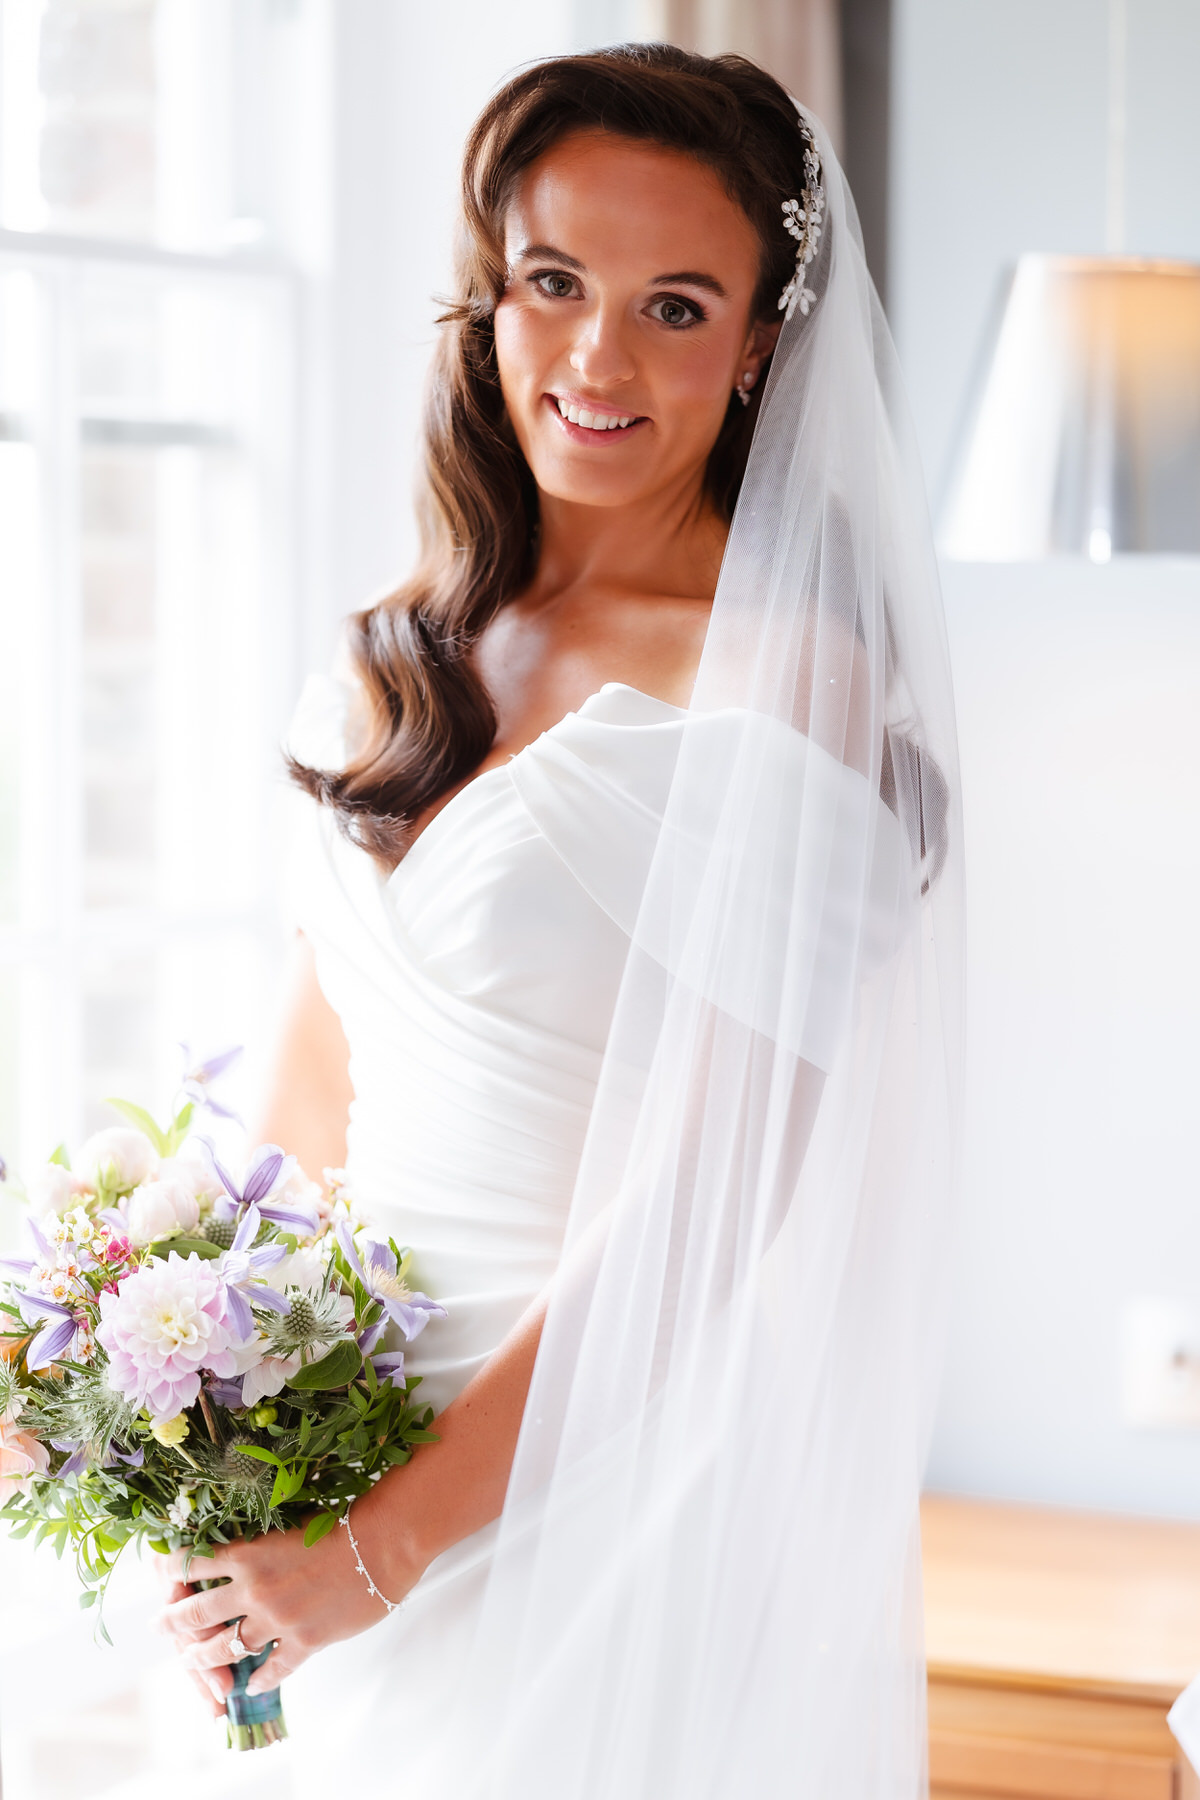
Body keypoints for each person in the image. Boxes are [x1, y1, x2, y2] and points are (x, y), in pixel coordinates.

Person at [158, 43, 960, 1798]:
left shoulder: (782, 681)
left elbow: (703, 1215)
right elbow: (296, 1127)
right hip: (332, 1490)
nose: (599, 360)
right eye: (555, 283)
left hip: (586, 1502)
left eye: (677, 307)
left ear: (760, 348)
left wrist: (386, 1553)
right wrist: (163, 1382)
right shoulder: (394, 659)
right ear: (489, 297)